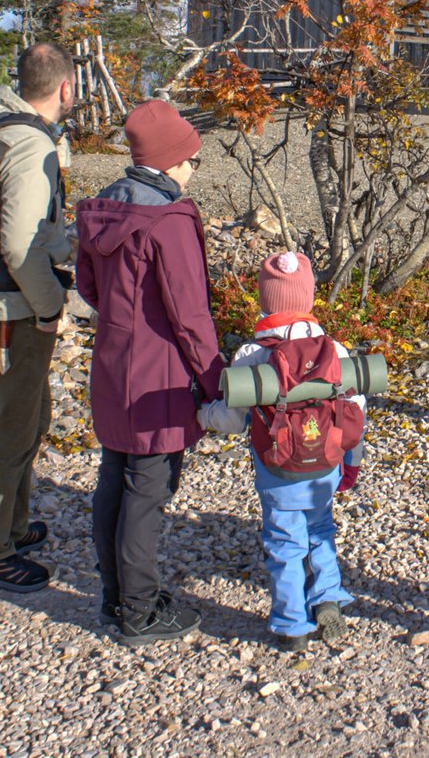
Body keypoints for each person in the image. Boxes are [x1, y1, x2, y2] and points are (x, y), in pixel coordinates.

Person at [75, 99, 224, 645]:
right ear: (169, 160)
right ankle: (139, 610)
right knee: (147, 487)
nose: (193, 168)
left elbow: (88, 288)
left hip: (113, 361)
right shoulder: (167, 220)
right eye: (190, 158)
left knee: (114, 477)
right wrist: (214, 380)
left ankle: (116, 597)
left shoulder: (103, 209)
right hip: (156, 371)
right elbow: (190, 313)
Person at [198, 252, 365, 652]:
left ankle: (293, 627)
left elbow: (234, 419)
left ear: (265, 300)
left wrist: (203, 415)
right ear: (308, 298)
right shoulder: (335, 350)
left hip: (277, 472)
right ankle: (327, 597)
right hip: (325, 463)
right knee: (321, 529)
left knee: (283, 541)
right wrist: (351, 464)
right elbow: (356, 413)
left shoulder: (250, 357)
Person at [0, 42, 77, 594]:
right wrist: (52, 303)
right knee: (9, 429)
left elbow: (22, 225)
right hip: (7, 309)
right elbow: (18, 243)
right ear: (66, 89)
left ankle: (14, 526)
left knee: (29, 415)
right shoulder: (30, 146)